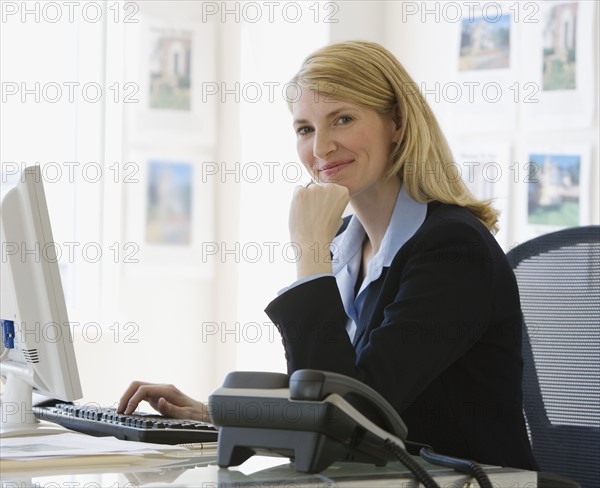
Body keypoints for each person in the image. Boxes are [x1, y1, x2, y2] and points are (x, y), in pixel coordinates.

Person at [118, 40, 538, 471]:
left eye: (342, 119)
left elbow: (356, 421)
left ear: (397, 122)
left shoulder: (452, 250)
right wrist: (217, 416)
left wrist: (309, 252)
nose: (320, 149)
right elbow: (328, 399)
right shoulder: (346, 242)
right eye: (305, 129)